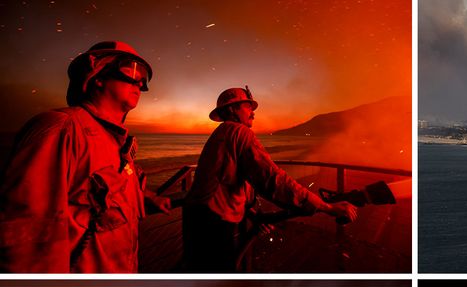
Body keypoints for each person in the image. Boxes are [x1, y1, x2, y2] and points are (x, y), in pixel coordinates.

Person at [0, 41, 170, 273]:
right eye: (131, 70)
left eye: (143, 77)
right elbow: (29, 232)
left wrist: (147, 197)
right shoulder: (62, 128)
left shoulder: (116, 141)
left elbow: (111, 189)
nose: (140, 82)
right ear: (97, 75)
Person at [182, 86, 356, 272]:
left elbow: (229, 181)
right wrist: (327, 207)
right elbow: (272, 180)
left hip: (198, 221)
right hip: (214, 226)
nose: (253, 114)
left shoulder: (221, 134)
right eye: (248, 107)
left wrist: (253, 215)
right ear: (232, 109)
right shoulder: (240, 133)